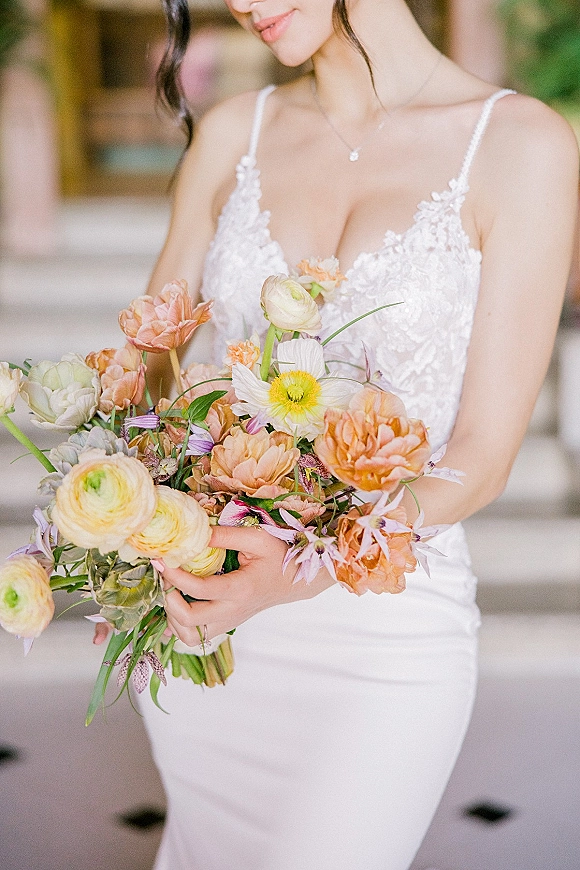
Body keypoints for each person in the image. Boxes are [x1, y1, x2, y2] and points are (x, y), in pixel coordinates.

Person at [95, 1, 579, 868]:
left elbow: (481, 459)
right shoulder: (232, 133)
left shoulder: (520, 146)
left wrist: (308, 561)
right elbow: (145, 365)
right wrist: (132, 492)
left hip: (387, 635)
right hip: (217, 625)